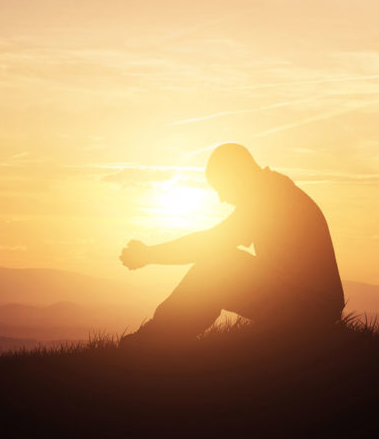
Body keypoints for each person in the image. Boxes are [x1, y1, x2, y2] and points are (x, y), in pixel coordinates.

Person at [119, 143, 345, 346]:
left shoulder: (270, 199)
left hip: (310, 311)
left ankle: (155, 340)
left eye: (221, 187)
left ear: (237, 177)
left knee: (216, 266)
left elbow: (208, 243)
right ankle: (164, 337)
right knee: (219, 262)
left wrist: (148, 255)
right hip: (314, 307)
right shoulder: (274, 191)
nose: (221, 198)